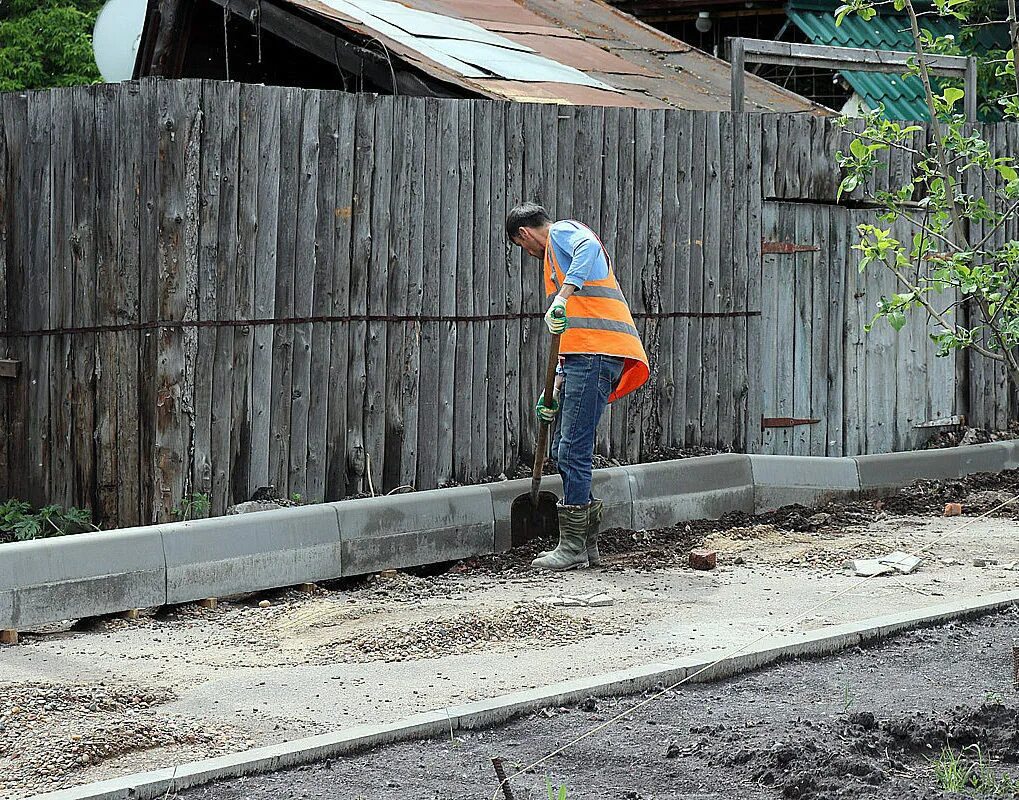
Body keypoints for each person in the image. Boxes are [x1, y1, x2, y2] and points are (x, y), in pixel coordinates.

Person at [506, 203, 649, 571]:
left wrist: (563, 295)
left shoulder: (563, 233)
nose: (529, 253)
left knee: (572, 447)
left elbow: (589, 246)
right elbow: (572, 331)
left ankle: (573, 547)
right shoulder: (554, 258)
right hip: (585, 356)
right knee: (566, 447)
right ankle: (585, 545)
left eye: (523, 248)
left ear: (524, 234)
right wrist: (552, 386)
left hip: (597, 356)